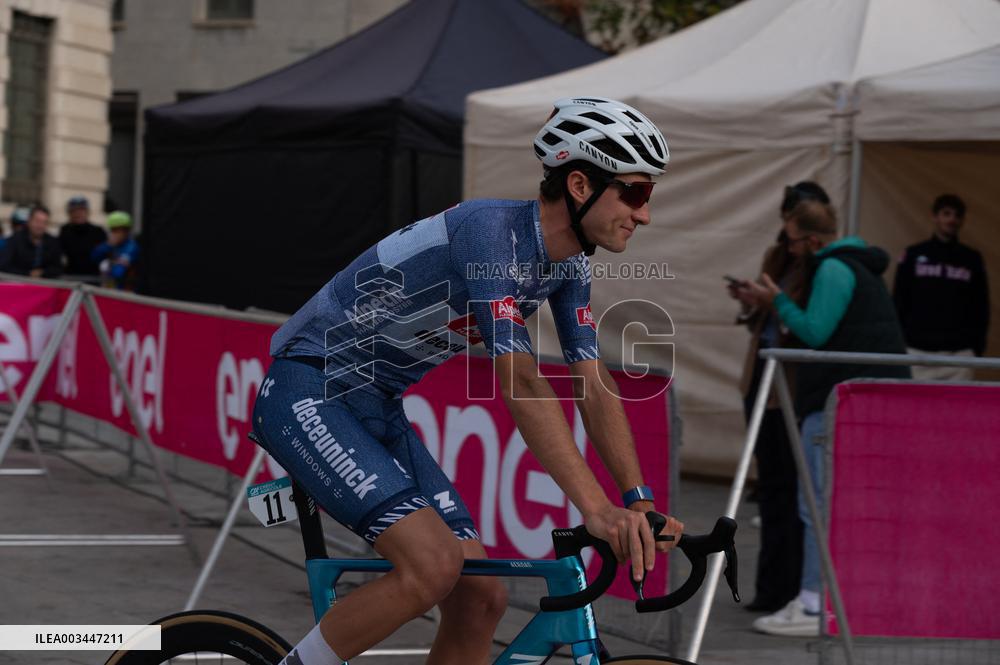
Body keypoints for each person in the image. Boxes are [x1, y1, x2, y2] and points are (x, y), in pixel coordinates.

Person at [252, 97, 684, 665]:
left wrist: (638, 499)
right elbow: (523, 382)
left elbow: (592, 381)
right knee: (431, 566)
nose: (644, 213)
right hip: (310, 390)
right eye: (636, 192)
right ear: (580, 185)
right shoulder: (490, 234)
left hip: (374, 405)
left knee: (479, 596)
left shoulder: (568, 262)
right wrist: (597, 511)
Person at [739, 199, 909, 636]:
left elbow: (816, 332)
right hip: (863, 401)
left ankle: (814, 604)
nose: (789, 248)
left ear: (813, 240)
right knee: (834, 503)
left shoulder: (833, 269)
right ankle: (831, 598)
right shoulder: (857, 266)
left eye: (792, 240)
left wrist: (777, 300)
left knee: (814, 504)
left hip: (839, 402)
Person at [728, 182, 831, 614]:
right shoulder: (779, 255)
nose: (785, 231)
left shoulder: (820, 266)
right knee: (772, 488)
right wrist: (753, 301)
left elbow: (810, 326)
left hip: (789, 387)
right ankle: (772, 587)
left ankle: (790, 589)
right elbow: (765, 317)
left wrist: (774, 302)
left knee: (791, 491)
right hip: (762, 382)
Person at [893, 193, 989, 381]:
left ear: (962, 221)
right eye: (946, 213)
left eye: (957, 215)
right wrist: (901, 344)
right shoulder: (913, 254)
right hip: (916, 351)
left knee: (956, 409)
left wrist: (975, 348)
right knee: (915, 408)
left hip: (959, 355)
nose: (951, 219)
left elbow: (981, 306)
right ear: (935, 217)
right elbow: (899, 300)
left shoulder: (971, 259)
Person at [0, 205, 63, 278]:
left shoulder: (53, 242)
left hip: (45, 286)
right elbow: (3, 266)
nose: (40, 226)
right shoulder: (15, 240)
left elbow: (58, 268)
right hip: (18, 284)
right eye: (37, 221)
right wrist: (27, 273)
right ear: (29, 221)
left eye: (44, 222)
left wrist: (43, 273)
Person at [58, 195, 107, 277]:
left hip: (93, 279)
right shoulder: (64, 230)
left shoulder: (98, 231)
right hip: (70, 278)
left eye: (81, 210)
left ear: (87, 212)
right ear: (69, 214)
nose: (78, 214)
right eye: (74, 211)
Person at [91, 211, 139, 290]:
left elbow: (118, 273)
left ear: (126, 231)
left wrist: (112, 264)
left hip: (125, 291)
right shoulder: (110, 244)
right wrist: (108, 246)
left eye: (120, 230)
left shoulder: (132, 247)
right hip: (108, 290)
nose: (116, 234)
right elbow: (94, 257)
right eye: (113, 230)